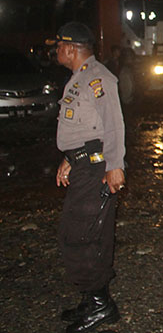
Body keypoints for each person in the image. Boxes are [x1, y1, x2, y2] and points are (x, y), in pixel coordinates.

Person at [49, 22, 126, 332]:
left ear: (71, 48)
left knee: (86, 234)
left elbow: (113, 123)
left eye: (58, 46)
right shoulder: (79, 78)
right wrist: (70, 158)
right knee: (76, 230)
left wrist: (115, 165)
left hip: (96, 168)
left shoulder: (98, 78)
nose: (56, 51)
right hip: (84, 164)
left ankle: (100, 306)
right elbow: (86, 127)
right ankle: (91, 298)